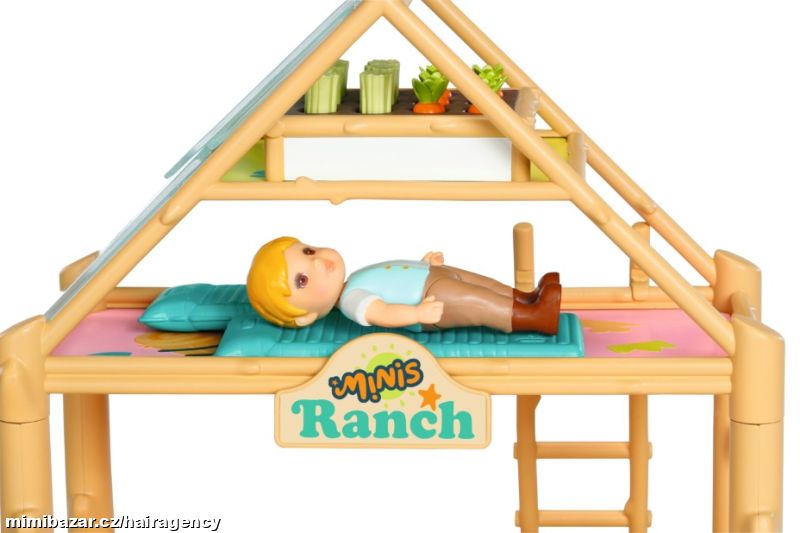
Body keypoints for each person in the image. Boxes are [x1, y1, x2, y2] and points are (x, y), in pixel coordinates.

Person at [246, 236, 561, 335]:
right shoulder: (351, 300)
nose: (317, 262)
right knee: (479, 302)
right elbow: (382, 313)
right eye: (302, 280)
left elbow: (391, 276)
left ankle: (527, 297)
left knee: (486, 284)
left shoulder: (352, 279)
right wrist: (417, 314)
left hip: (431, 275)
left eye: (308, 252)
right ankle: (535, 316)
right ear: (305, 316)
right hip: (429, 298)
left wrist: (421, 263)